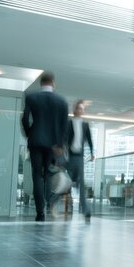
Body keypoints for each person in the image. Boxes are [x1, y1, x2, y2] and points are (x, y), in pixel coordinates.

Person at [21, 71, 69, 222]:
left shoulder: (31, 97)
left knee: (37, 175)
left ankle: (39, 212)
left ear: (41, 83)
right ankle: (49, 206)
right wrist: (60, 144)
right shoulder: (61, 101)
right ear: (53, 83)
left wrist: (30, 134)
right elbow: (64, 126)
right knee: (48, 175)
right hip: (52, 145)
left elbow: (24, 119)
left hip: (35, 142)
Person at [65, 100, 95, 222]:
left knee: (80, 183)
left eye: (81, 109)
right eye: (77, 108)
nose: (79, 110)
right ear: (74, 110)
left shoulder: (85, 125)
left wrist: (92, 152)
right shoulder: (68, 123)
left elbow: (89, 139)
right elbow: (63, 139)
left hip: (79, 157)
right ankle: (56, 203)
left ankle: (85, 209)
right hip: (68, 157)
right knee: (68, 182)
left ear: (83, 111)